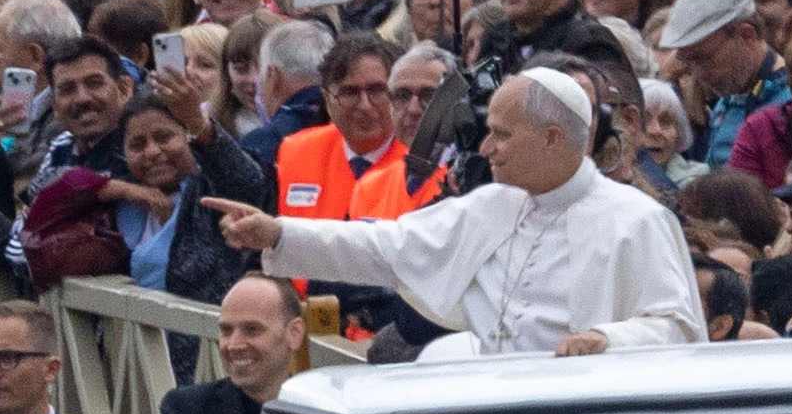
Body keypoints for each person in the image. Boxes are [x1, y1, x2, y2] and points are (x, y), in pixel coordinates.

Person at [217, 67, 702, 358]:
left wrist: (607, 339)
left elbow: (678, 331)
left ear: (553, 138)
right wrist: (278, 234)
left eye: (503, 134)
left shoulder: (637, 221)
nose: (487, 147)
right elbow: (385, 246)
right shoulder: (491, 206)